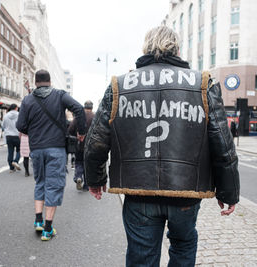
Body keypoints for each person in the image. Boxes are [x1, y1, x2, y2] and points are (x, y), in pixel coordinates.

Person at [84, 26, 240, 266]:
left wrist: (95, 180)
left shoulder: (120, 85)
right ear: (177, 49)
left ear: (146, 48)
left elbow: (96, 141)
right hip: (186, 190)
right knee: (183, 245)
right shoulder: (203, 83)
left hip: (138, 190)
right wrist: (228, 191)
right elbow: (222, 142)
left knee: (141, 254)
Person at [16, 69, 86, 241]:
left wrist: (33, 131)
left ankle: (38, 220)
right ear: (49, 81)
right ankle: (48, 228)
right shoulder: (60, 95)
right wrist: (81, 131)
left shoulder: (27, 99)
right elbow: (78, 108)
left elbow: (20, 125)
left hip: (37, 148)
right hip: (56, 147)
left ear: (35, 82)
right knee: (53, 185)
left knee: (40, 182)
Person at [68, 100, 95, 191]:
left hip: (79, 144)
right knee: (88, 164)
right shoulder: (95, 117)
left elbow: (70, 129)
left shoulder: (79, 116)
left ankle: (79, 177)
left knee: (79, 162)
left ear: (84, 107)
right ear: (92, 107)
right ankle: (87, 185)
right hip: (92, 146)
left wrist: (76, 133)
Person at [3, 104, 21, 172]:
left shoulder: (6, 115)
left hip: (8, 136)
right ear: (16, 108)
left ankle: (11, 168)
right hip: (17, 135)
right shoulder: (19, 114)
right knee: (19, 150)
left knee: (10, 151)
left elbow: (3, 126)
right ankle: (15, 161)